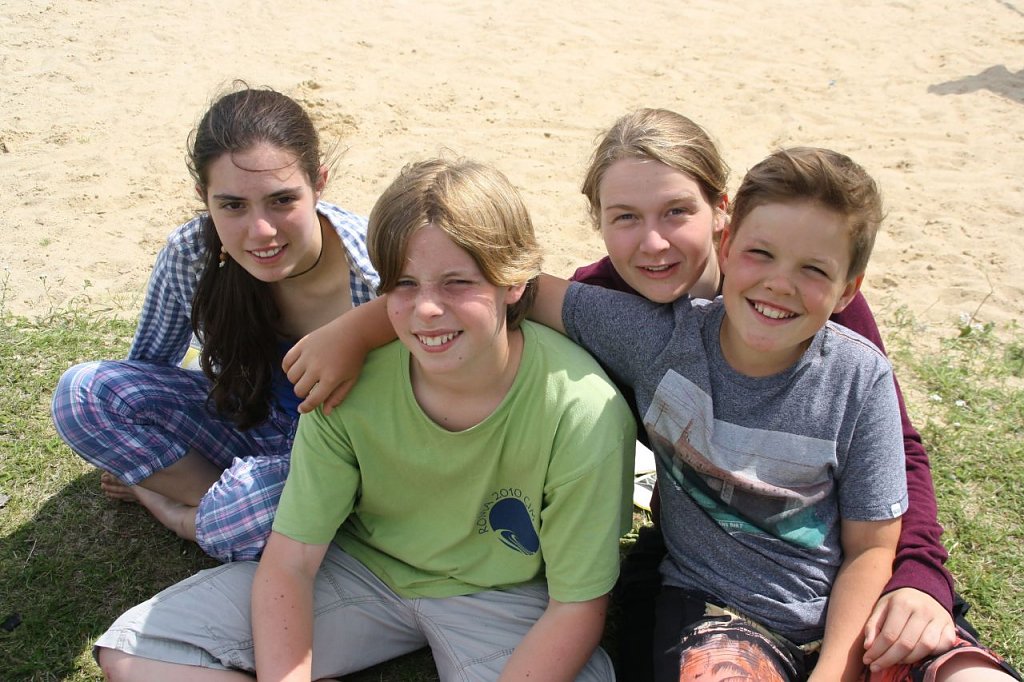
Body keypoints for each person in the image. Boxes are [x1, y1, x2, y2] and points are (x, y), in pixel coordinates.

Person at [281, 111, 1020, 680]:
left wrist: (920, 576)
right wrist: (359, 327)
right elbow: (490, 282)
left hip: (848, 573)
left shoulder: (830, 325)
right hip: (714, 581)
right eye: (624, 218)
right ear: (598, 222)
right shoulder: (615, 308)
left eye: (676, 212)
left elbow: (894, 468)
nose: (653, 244)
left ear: (720, 216)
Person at [94, 157, 635, 681]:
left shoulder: (581, 409)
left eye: (457, 282)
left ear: (513, 282)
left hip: (505, 596)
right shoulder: (346, 376)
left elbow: (577, 605)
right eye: (404, 284)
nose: (427, 309)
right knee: (138, 653)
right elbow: (291, 561)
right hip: (362, 567)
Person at [531, 146, 1021, 681]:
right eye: (760, 254)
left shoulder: (858, 373)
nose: (780, 283)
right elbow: (519, 288)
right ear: (728, 246)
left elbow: (873, 542)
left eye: (813, 269)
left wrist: (907, 590)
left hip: (858, 605)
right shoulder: (651, 335)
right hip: (720, 610)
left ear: (847, 291)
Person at [50, 85, 379, 562]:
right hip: (249, 420)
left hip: (345, 453)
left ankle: (175, 510)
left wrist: (149, 482)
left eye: (282, 200)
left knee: (247, 511)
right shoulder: (192, 254)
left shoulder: (378, 268)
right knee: (81, 393)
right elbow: (146, 369)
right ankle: (228, 507)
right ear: (203, 197)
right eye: (233, 205)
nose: (261, 231)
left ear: (319, 183)